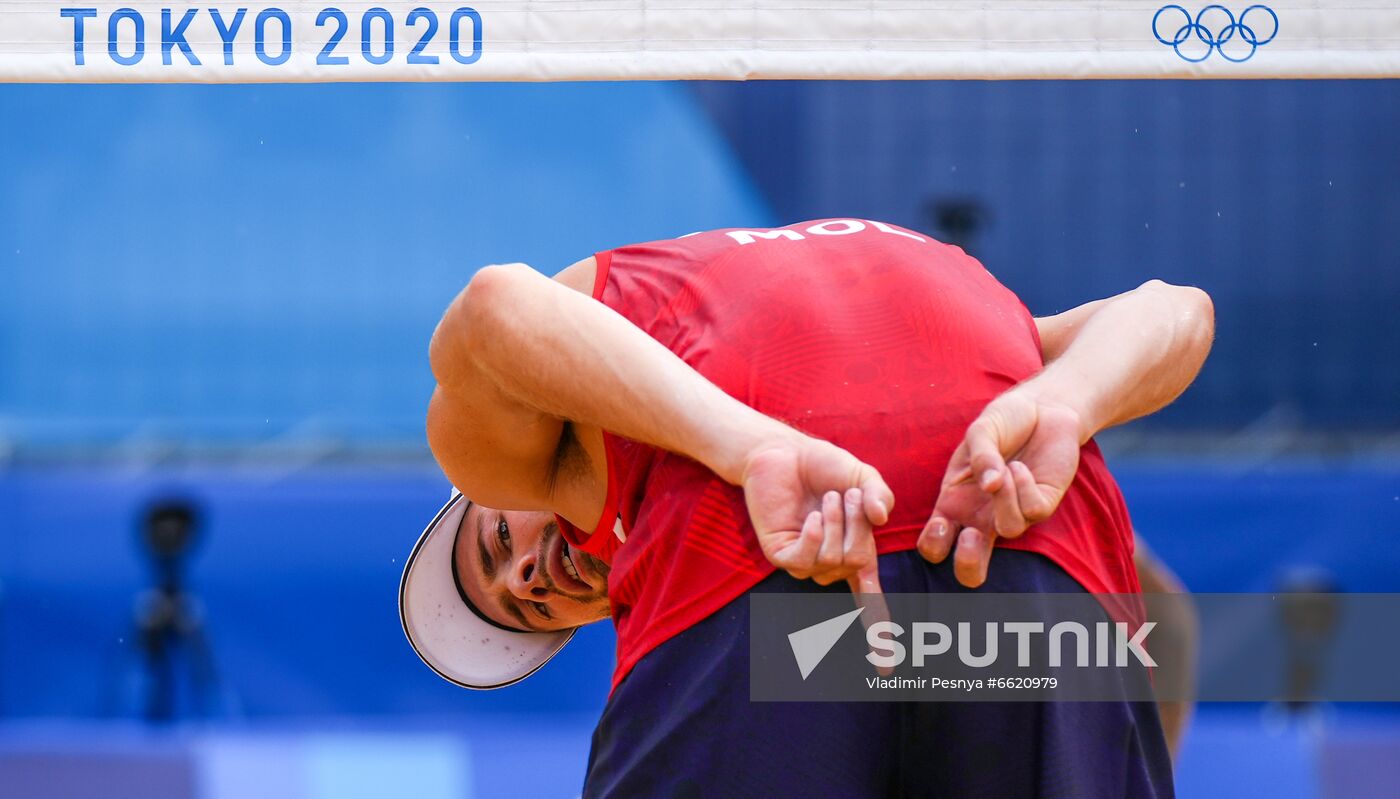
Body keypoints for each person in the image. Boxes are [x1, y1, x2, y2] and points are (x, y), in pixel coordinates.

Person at [400, 219, 1214, 797]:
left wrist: (751, 449)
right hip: (1004, 580)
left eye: (497, 542)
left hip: (770, 605)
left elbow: (493, 301)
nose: (528, 576)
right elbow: (1172, 310)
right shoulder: (958, 317)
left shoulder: (536, 437)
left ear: (496, 489)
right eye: (530, 609)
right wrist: (1070, 404)